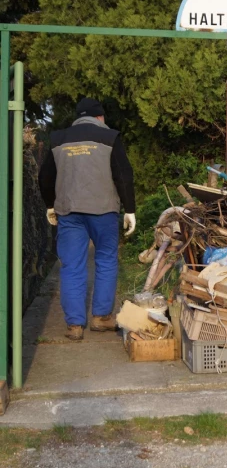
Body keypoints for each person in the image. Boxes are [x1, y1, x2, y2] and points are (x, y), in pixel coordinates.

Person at [39, 97, 136, 341]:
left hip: (69, 212)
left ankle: (74, 325)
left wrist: (50, 205)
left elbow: (45, 176)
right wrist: (130, 209)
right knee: (105, 260)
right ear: (100, 117)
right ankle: (101, 318)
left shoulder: (57, 139)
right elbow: (123, 175)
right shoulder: (110, 137)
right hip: (103, 211)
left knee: (72, 266)